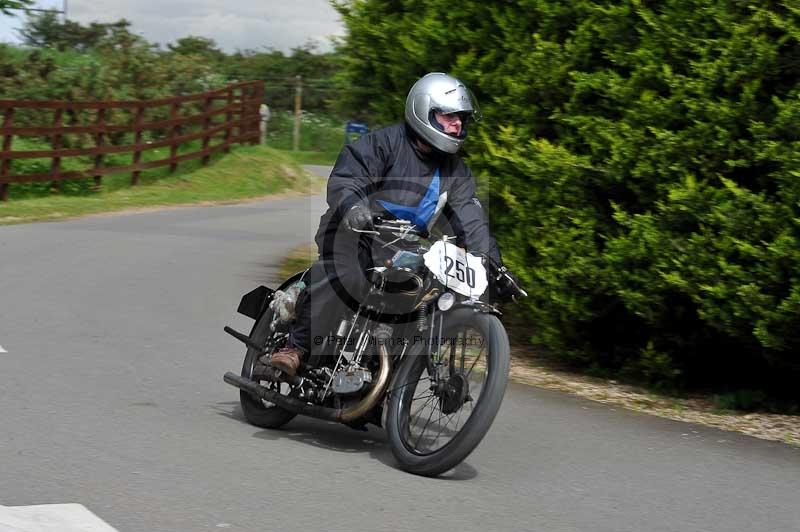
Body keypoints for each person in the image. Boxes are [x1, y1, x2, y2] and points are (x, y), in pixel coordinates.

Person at [270, 72, 522, 376]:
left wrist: (492, 265)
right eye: (449, 116)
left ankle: (385, 373)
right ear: (423, 110)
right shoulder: (382, 144)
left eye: (462, 118)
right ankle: (295, 347)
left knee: (425, 298)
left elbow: (472, 220)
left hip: (407, 248)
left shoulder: (457, 172)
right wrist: (354, 208)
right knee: (346, 275)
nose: (458, 124)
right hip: (355, 233)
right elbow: (347, 180)